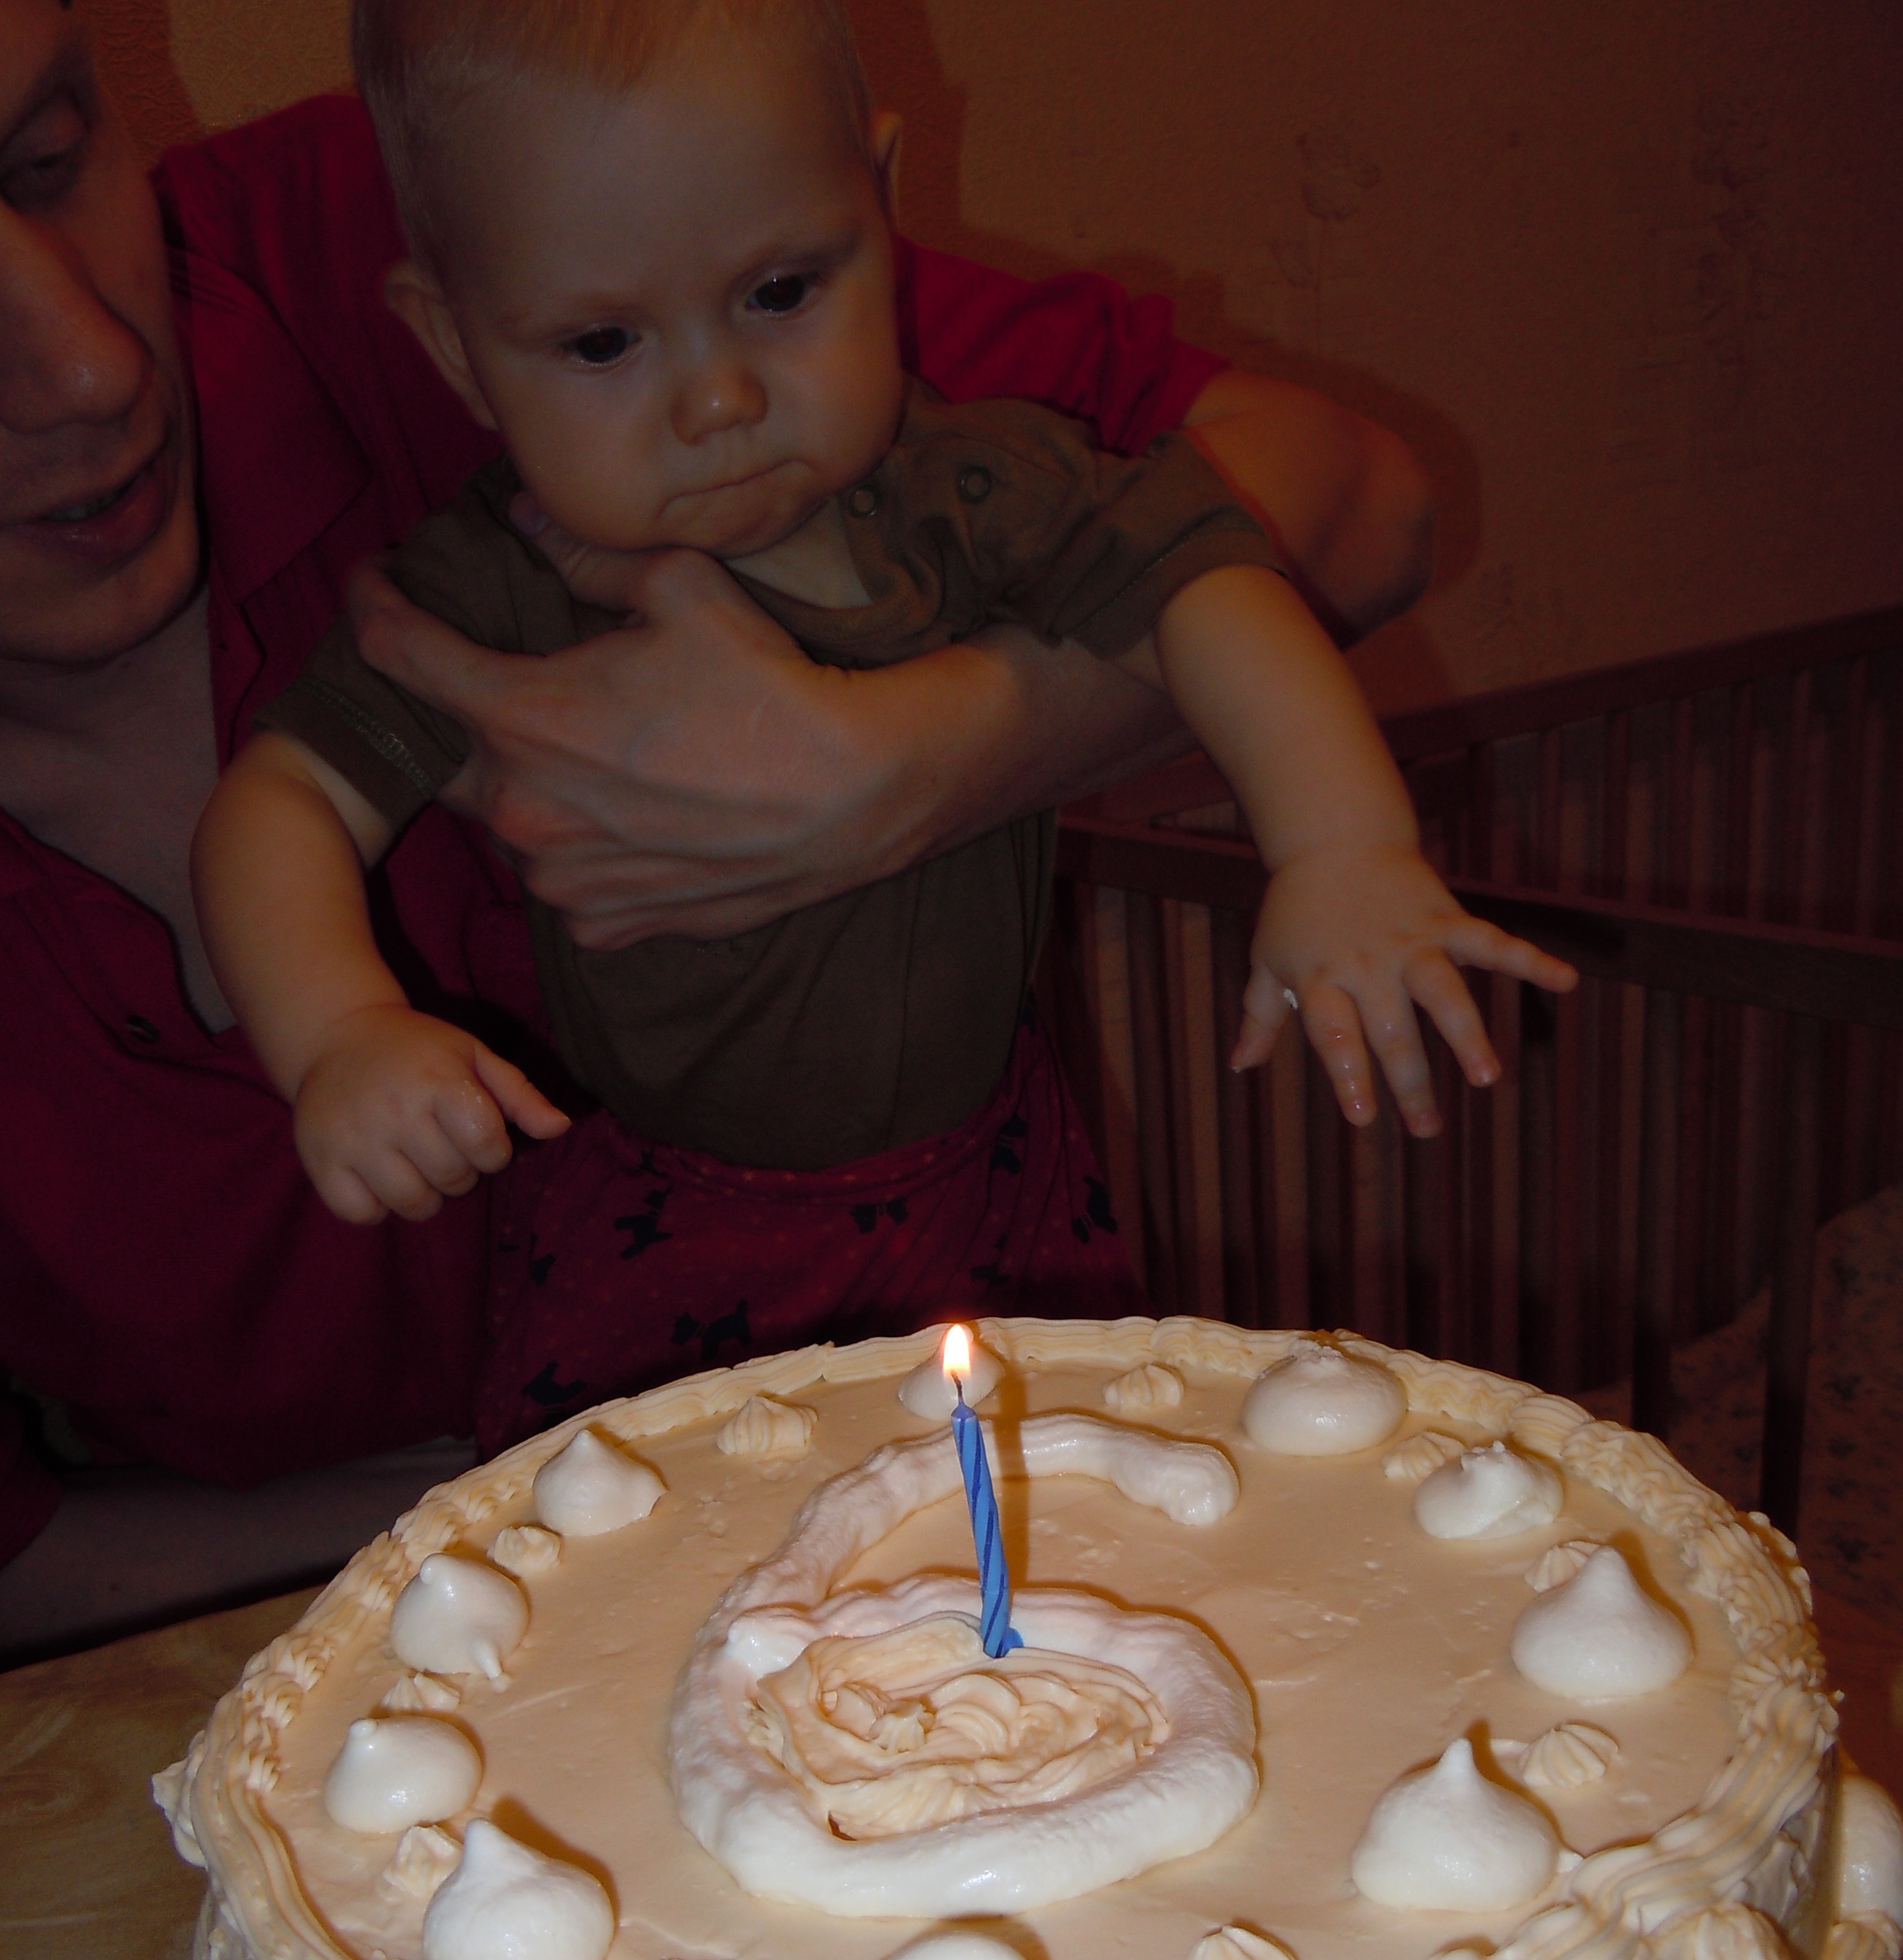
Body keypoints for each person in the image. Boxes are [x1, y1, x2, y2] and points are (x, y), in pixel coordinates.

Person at [0, 0, 1433, 1650]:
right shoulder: (488, 576)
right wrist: (340, 1032)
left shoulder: (967, 476)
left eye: (781, 293)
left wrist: (1336, 847)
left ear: (874, 213)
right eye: (605, 346)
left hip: (994, 1178)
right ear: (455, 350)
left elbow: (1229, 563)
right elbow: (283, 803)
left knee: (1055, 1560)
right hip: (666, 1237)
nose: (722, 398)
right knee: (679, 1630)